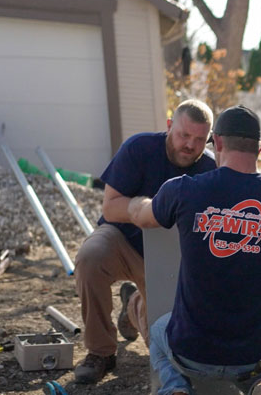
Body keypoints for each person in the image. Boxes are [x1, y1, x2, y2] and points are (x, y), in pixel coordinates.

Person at [128, 105, 261, 395]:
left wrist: (135, 205)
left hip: (191, 352)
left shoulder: (182, 190)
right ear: (259, 147)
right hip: (251, 357)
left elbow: (144, 216)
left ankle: (175, 387)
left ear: (217, 143)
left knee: (159, 329)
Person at [73, 100, 217, 384]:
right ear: (168, 126)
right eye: (184, 135)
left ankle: (135, 305)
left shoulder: (210, 167)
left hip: (172, 259)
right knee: (90, 257)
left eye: (200, 139)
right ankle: (101, 352)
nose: (190, 145)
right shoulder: (139, 148)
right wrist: (139, 209)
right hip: (123, 241)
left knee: (166, 350)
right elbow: (110, 207)